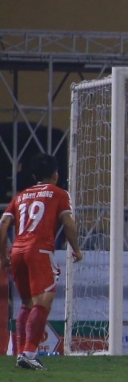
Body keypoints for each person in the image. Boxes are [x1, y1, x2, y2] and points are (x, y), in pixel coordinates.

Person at [0, 153, 83, 370]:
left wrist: (3, 256)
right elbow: (68, 222)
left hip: (17, 250)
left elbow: (3, 226)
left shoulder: (21, 196)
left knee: (27, 303)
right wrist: (76, 249)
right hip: (39, 250)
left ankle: (20, 354)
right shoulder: (59, 193)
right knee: (43, 301)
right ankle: (29, 353)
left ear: (34, 175)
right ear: (56, 175)